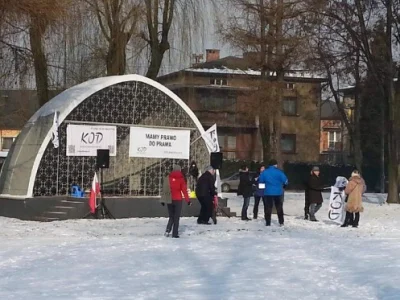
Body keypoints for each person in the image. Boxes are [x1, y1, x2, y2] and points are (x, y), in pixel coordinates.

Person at [164, 165, 191, 238]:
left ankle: (167, 230)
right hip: (178, 200)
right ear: (179, 170)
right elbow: (184, 191)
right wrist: (188, 200)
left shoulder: (168, 178)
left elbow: (165, 189)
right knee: (176, 217)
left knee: (171, 216)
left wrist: (163, 199)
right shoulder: (181, 178)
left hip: (169, 199)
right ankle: (174, 233)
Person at [259, 159, 288, 226]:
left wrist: (262, 189)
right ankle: (281, 222)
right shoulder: (279, 172)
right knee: (279, 207)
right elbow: (286, 181)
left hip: (268, 192)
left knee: (268, 208)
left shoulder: (265, 172)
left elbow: (261, 181)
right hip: (278, 192)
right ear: (275, 165)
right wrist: (284, 186)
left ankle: (268, 222)